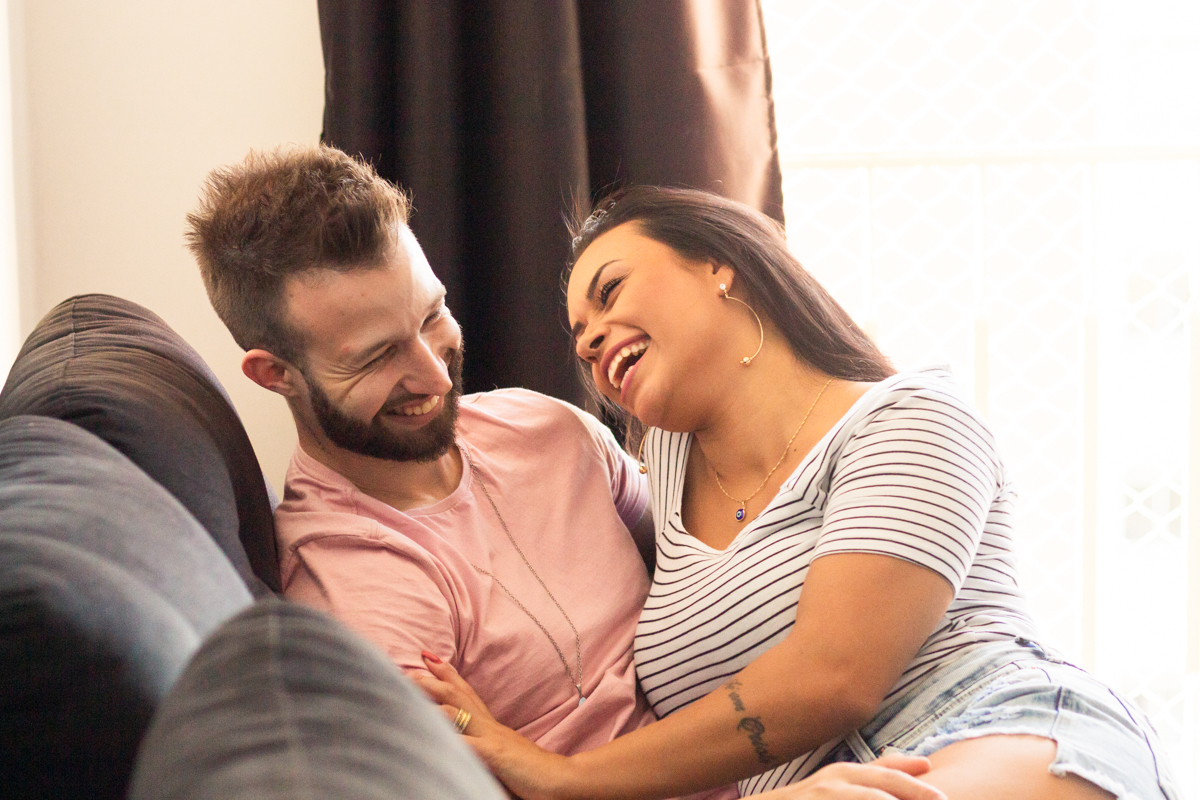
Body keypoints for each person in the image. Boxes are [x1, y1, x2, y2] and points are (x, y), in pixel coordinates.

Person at [185, 146, 940, 800]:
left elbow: (719, 577)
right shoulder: (352, 583)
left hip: (807, 757)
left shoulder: (542, 429)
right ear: (273, 373)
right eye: (377, 356)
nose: (436, 377)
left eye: (431, 318)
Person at [416, 186, 1180, 800]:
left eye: (611, 292)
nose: (588, 339)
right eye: (580, 332)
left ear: (721, 266)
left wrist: (558, 775)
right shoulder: (667, 475)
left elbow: (831, 679)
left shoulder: (914, 419)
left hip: (992, 724)